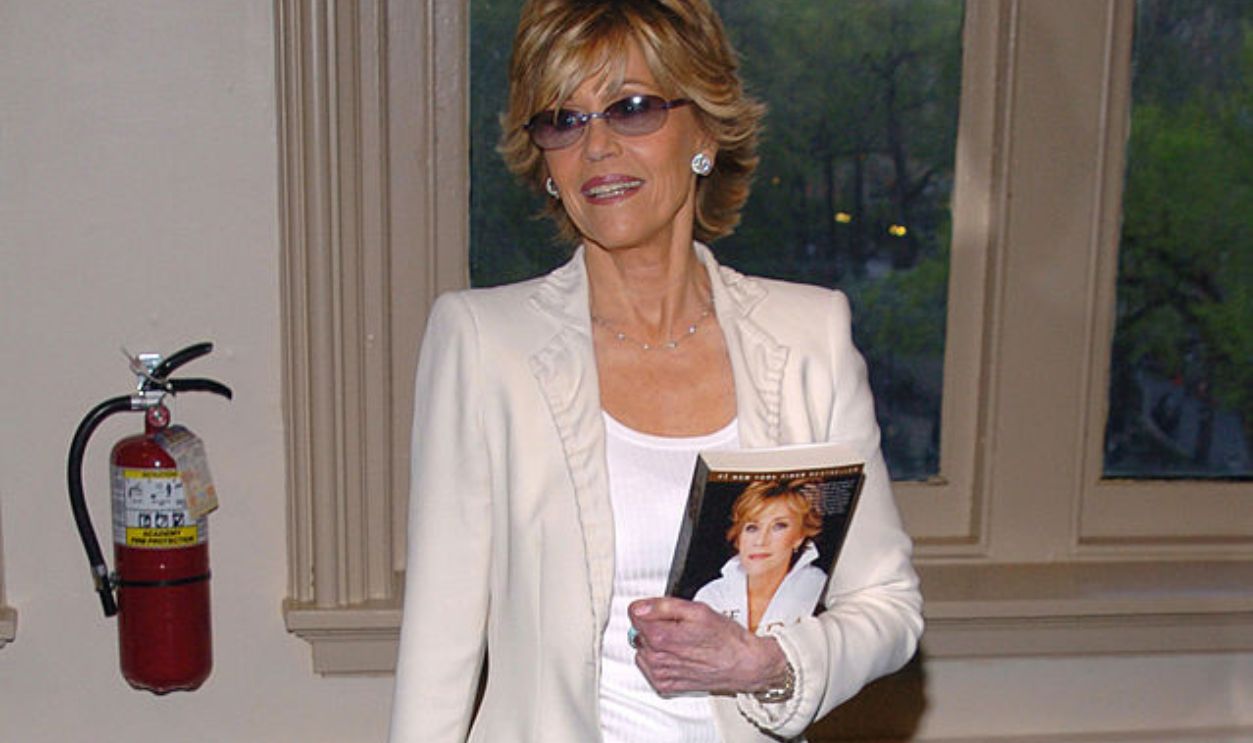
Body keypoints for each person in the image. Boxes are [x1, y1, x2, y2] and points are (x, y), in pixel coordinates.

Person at [388, 1, 922, 741]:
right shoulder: (483, 344)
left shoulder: (807, 337)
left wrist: (765, 662)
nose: (596, 147)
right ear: (543, 158)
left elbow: (888, 605)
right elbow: (437, 654)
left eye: (631, 108)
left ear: (704, 129)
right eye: (563, 120)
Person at [693, 479, 828, 635]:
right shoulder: (712, 596)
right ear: (739, 539)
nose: (761, 540)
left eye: (778, 526)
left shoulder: (819, 587)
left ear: (799, 537)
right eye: (752, 528)